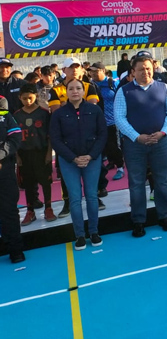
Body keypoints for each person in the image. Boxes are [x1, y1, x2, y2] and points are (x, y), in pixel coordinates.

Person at [114, 51, 167, 238]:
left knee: (162, 180)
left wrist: (163, 132)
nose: (145, 72)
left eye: (148, 69)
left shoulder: (164, 88)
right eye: (141, 69)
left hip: (160, 142)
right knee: (136, 183)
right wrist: (136, 137)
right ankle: (138, 221)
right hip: (134, 145)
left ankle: (164, 216)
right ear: (133, 72)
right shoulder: (124, 91)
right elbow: (119, 118)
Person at [50, 79, 107, 250]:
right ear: (66, 92)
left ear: (83, 91)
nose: (75, 91)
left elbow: (102, 135)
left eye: (78, 88)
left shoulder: (94, 110)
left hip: (92, 160)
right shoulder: (58, 114)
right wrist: (73, 158)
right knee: (75, 198)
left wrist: (90, 155)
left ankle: (94, 232)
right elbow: (55, 140)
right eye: (71, 89)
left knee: (91, 196)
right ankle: (80, 235)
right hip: (69, 161)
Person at [49, 57, 99, 218]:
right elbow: (56, 111)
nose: (75, 70)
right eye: (71, 67)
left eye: (77, 67)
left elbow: (91, 106)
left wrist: (68, 105)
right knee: (66, 177)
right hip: (66, 142)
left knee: (93, 178)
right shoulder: (55, 90)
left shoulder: (89, 86)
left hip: (89, 140)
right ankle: (67, 202)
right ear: (64, 70)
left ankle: (96, 198)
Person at [14, 84, 55, 225]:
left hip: (41, 153)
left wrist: (49, 153)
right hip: (24, 154)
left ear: (36, 96)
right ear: (20, 98)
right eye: (24, 98)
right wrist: (17, 156)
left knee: (46, 182)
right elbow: (14, 138)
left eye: (30, 98)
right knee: (29, 184)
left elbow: (50, 136)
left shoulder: (44, 113)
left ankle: (48, 208)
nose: (27, 101)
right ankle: (30, 211)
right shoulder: (16, 115)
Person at [0, 95, 25, 263]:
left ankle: (15, 250)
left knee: (8, 210)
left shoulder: (3, 111)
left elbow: (16, 136)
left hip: (4, 168)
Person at [89, 62, 124, 180]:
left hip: (112, 121)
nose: (93, 74)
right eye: (91, 71)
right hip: (96, 122)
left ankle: (120, 167)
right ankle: (111, 162)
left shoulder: (112, 83)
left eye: (96, 71)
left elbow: (121, 99)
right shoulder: (90, 85)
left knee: (114, 145)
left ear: (103, 71)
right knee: (102, 147)